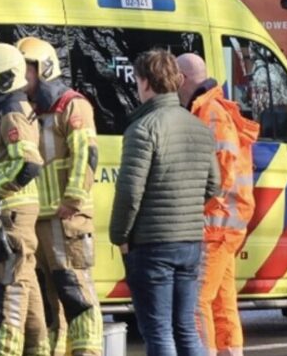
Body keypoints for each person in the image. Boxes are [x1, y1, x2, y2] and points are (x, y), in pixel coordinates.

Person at [109, 49, 220, 356]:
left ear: (145, 83)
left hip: (151, 244)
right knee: (185, 328)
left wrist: (119, 236)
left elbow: (130, 193)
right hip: (190, 242)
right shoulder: (198, 126)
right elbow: (214, 184)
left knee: (158, 332)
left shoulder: (142, 129)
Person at [18, 36, 103, 356]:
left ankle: (88, 351)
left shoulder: (71, 105)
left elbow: (86, 155)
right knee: (46, 294)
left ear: (43, 68)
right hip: (38, 216)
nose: (20, 75)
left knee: (75, 289)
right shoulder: (28, 110)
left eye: (25, 68)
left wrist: (74, 200)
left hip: (66, 217)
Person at [177, 53, 260, 356]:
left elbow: (221, 174)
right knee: (222, 302)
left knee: (196, 300)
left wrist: (196, 208)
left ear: (181, 78)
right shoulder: (211, 108)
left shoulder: (209, 112)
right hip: (226, 223)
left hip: (216, 224)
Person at [0, 43, 48, 356]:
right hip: (12, 212)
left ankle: (5, 349)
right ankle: (36, 348)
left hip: (10, 214)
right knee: (23, 280)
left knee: (9, 285)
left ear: (4, 78)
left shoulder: (12, 113)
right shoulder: (8, 111)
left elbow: (28, 163)